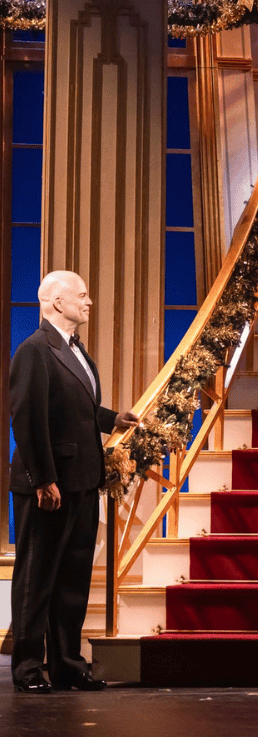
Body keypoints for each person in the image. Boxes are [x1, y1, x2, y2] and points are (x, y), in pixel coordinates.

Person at [9, 271, 139, 693]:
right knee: (36, 579)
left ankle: (66, 665)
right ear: (57, 302)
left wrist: (112, 419)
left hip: (82, 481)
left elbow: (75, 409)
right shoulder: (34, 350)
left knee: (72, 581)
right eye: (82, 296)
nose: (89, 302)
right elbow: (27, 418)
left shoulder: (75, 349)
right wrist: (43, 479)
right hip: (50, 486)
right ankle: (29, 669)